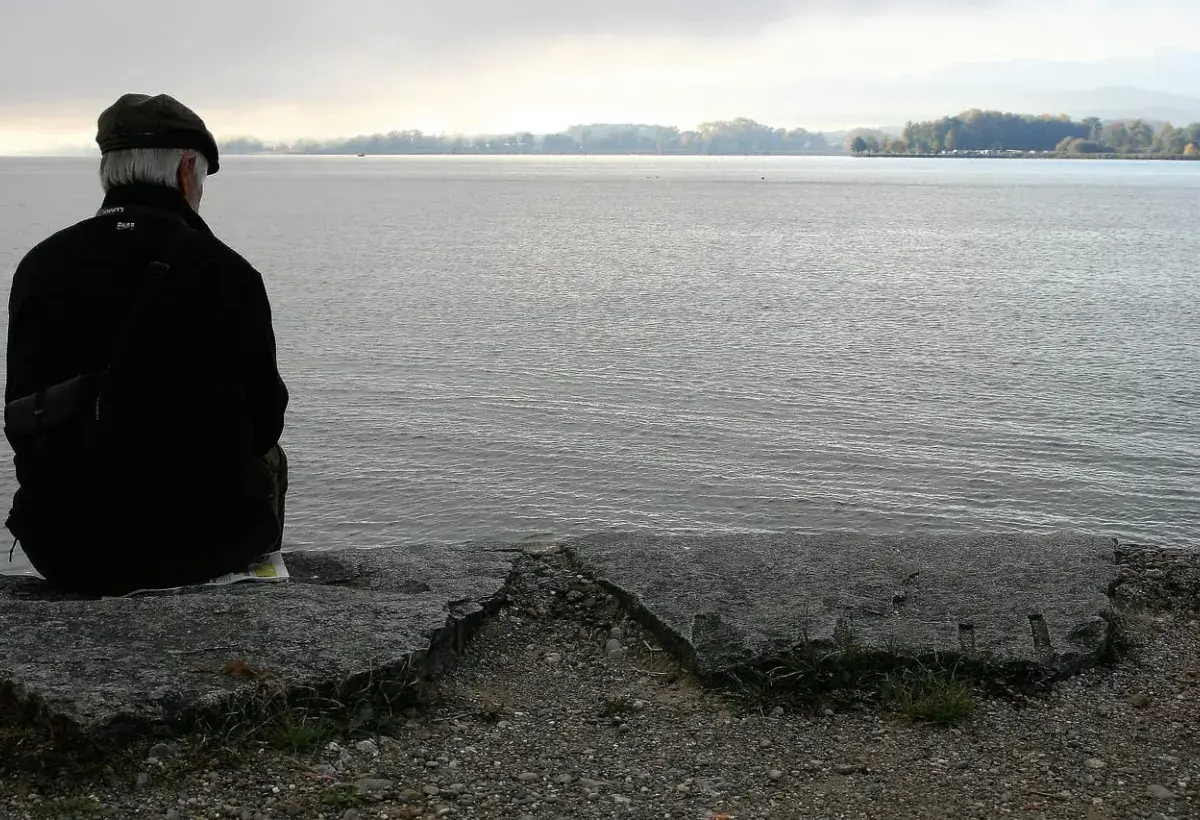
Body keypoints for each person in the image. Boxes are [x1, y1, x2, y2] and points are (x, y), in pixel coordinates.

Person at [3, 93, 289, 595]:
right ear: (185, 172)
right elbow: (266, 419)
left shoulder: (39, 265)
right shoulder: (226, 271)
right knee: (271, 457)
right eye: (201, 180)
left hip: (63, 548)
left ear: (109, 173)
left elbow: (20, 415)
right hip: (200, 548)